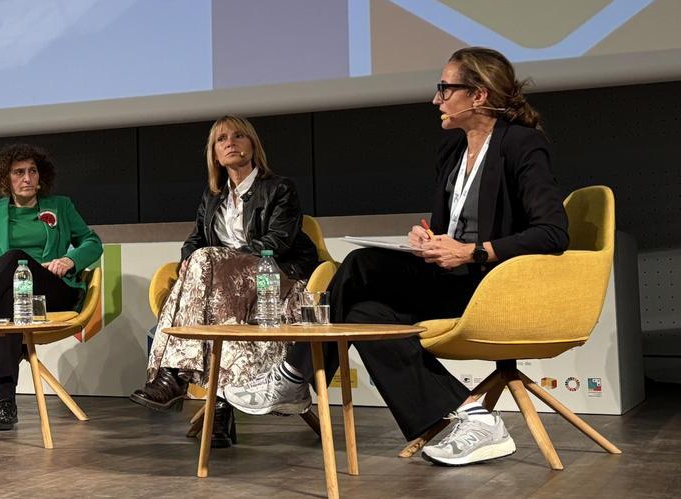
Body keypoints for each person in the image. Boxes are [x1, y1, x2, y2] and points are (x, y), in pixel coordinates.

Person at [283, 47, 569, 466]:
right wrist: (428, 239)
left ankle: (294, 374)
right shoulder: (450, 152)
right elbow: (448, 232)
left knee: (360, 266)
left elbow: (552, 232)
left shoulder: (521, 145)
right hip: (452, 278)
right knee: (364, 316)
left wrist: (473, 251)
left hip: (493, 285)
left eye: (445, 88)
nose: (436, 99)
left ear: (478, 95)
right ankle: (472, 415)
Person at [130, 115, 320, 448]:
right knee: (210, 289)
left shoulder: (278, 188)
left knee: (207, 263)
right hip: (226, 288)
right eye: (221, 140)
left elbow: (278, 240)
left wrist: (219, 260)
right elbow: (195, 239)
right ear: (215, 155)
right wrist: (193, 258)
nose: (230, 143)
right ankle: (219, 408)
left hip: (275, 276)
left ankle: (173, 374)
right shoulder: (213, 195)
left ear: (252, 145)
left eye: (238, 136)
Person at [0, 144, 103, 432]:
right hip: (9, 295)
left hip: (51, 290)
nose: (27, 178)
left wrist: (69, 259)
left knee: (14, 258)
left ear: (41, 175)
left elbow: (92, 243)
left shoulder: (61, 206)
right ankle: (6, 404)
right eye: (19, 172)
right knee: (3, 306)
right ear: (5, 178)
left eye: (32, 171)